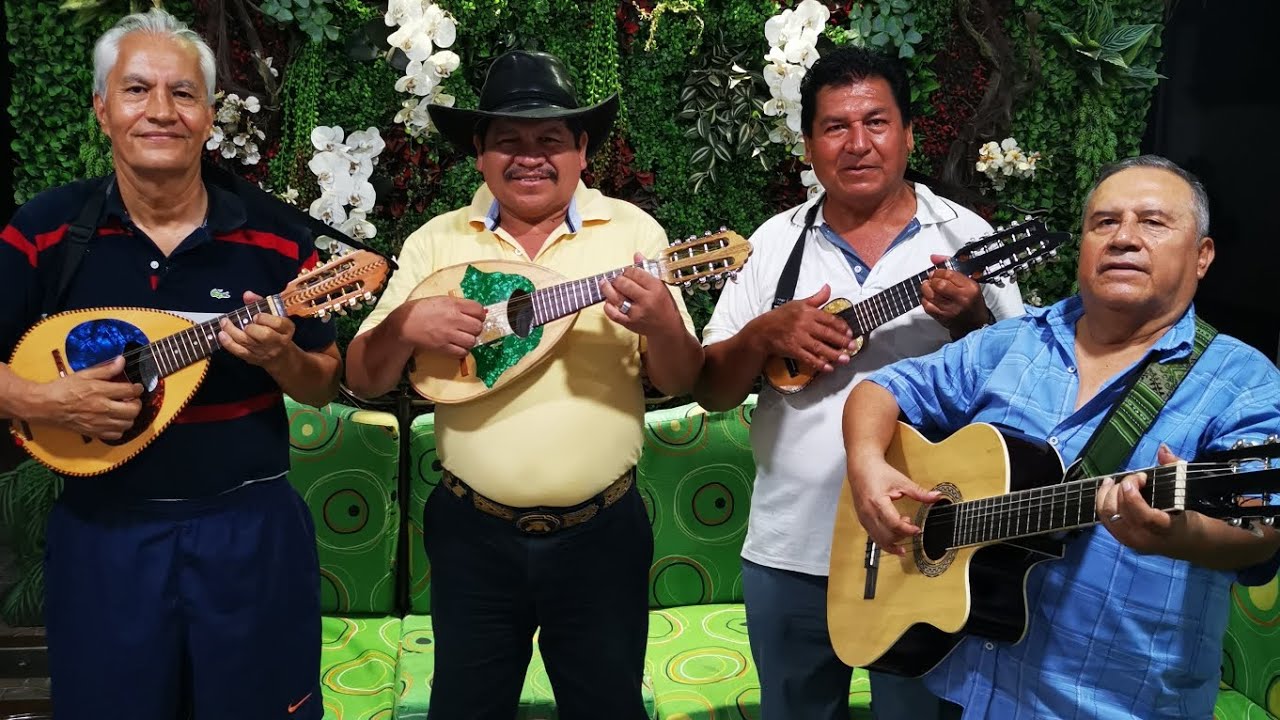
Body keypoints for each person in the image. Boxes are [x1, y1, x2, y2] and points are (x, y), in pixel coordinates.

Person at [844, 154, 1280, 719]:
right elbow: (881, 388)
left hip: (1120, 702)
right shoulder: (1012, 341)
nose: (1124, 238)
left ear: (1202, 256)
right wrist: (866, 464)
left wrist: (1178, 535)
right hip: (966, 684)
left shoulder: (1245, 384)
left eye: (1153, 222)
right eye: (1104, 222)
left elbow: (1260, 532)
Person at [0, 9, 340, 719]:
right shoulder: (45, 231)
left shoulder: (278, 238)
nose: (161, 111)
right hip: (102, 536)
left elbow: (322, 379)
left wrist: (282, 359)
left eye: (183, 93)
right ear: (102, 109)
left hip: (249, 531)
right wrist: (39, 402)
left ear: (210, 116)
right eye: (136, 90)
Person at [344, 50, 702, 720]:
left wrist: (661, 325)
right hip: (471, 536)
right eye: (508, 140)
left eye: (550, 140)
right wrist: (404, 327)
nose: (530, 157)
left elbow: (681, 378)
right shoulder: (434, 243)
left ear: (582, 150)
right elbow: (362, 378)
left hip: (603, 536)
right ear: (479, 152)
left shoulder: (634, 234)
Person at [693, 46, 1023, 720]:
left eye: (876, 122)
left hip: (926, 548)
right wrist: (762, 336)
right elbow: (712, 391)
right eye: (835, 127)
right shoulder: (773, 245)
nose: (857, 143)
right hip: (789, 553)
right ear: (809, 145)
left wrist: (970, 319)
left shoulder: (967, 239)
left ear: (907, 134)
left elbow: (1018, 394)